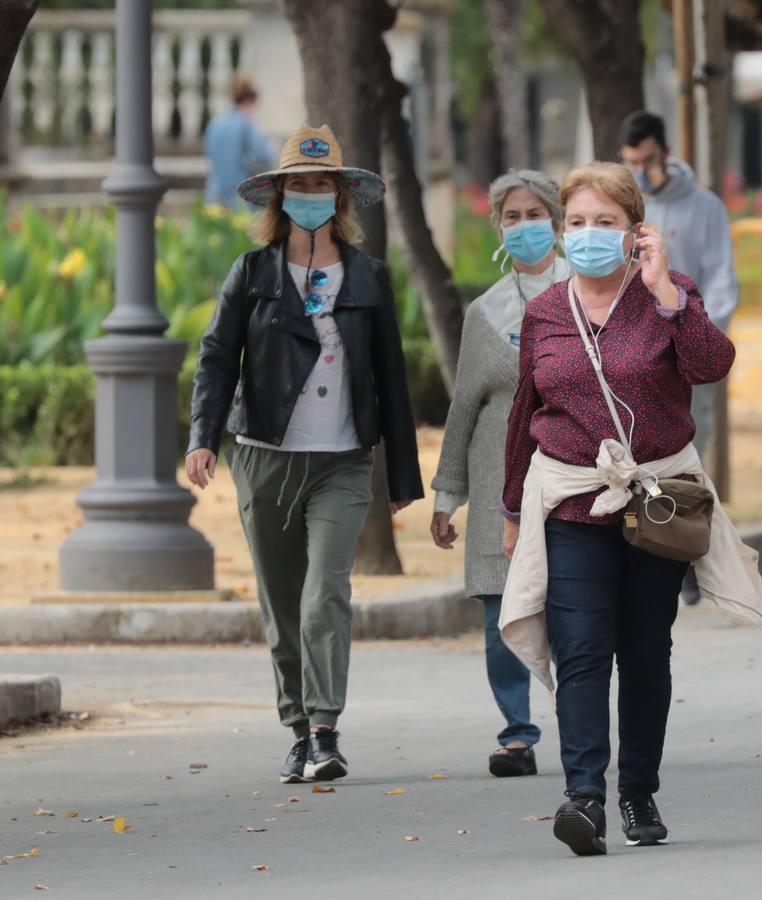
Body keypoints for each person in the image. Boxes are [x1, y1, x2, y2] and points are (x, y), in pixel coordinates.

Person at [498, 162, 762, 857]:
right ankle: (583, 797)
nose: (587, 235)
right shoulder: (545, 311)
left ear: (635, 231)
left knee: (643, 652)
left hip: (655, 505)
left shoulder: (667, 297)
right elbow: (525, 412)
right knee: (580, 652)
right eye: (576, 223)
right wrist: (513, 510)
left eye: (605, 222)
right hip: (573, 504)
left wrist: (667, 289)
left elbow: (712, 365)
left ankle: (637, 790)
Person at [186, 124, 423, 784]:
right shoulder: (252, 272)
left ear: (341, 197)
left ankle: (325, 729)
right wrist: (202, 438)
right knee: (282, 600)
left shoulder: (368, 276)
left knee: (324, 595)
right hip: (264, 456)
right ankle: (296, 727)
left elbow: (391, 376)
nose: (311, 194)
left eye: (323, 184)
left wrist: (401, 474)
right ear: (280, 195)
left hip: (343, 460)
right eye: (300, 184)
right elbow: (215, 358)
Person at [429, 169, 571, 779]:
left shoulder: (592, 294)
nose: (523, 227)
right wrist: (447, 493)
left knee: (573, 610)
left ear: (558, 222)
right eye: (511, 218)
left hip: (572, 481)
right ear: (497, 228)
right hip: (496, 487)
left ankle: (582, 723)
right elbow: (463, 408)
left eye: (534, 215)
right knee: (499, 615)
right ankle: (517, 732)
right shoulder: (483, 313)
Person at [618, 110, 740, 605]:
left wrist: (700, 339)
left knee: (684, 456)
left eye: (648, 160)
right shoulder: (624, 207)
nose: (642, 170)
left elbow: (722, 280)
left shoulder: (703, 206)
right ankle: (636, 546)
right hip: (632, 354)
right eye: (632, 162)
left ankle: (685, 552)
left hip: (687, 351)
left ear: (664, 151)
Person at [203, 75, 274, 210]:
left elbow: (210, 155)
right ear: (249, 101)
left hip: (214, 195)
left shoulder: (214, 124)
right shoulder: (246, 125)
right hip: (241, 199)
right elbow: (264, 156)